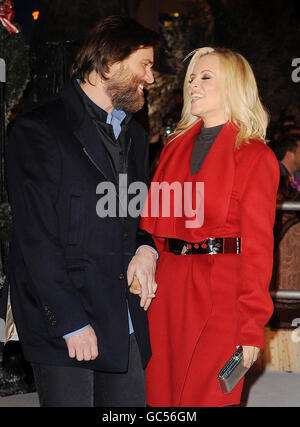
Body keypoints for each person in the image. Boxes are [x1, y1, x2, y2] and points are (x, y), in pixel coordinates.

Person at [7, 15, 159, 407]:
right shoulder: (39, 128)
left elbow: (137, 215)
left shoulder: (137, 136)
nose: (151, 78)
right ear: (109, 64)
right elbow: (35, 237)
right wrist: (71, 322)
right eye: (144, 65)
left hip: (123, 317)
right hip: (67, 322)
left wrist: (147, 248)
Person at [138, 47, 280, 406]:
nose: (193, 85)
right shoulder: (173, 147)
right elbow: (154, 224)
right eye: (191, 78)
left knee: (208, 397)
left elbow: (259, 251)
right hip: (167, 294)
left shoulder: (254, 155)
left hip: (222, 295)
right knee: (160, 397)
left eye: (205, 77)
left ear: (233, 85)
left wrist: (251, 327)